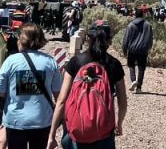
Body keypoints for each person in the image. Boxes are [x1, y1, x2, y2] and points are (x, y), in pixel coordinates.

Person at [47, 21, 127, 149]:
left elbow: (62, 100)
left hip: (77, 126)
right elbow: (122, 102)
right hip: (103, 127)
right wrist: (119, 123)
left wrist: (51, 135)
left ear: (87, 39)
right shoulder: (114, 64)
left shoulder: (75, 62)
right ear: (109, 41)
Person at [0, 23, 64, 149]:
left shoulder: (11, 61)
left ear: (21, 40)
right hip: (42, 121)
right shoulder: (50, 62)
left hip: (16, 121)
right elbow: (59, 95)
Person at [122, 7, 153, 93]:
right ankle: (139, 87)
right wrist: (149, 47)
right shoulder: (148, 25)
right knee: (141, 68)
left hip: (132, 49)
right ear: (143, 14)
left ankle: (133, 80)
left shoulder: (131, 25)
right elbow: (150, 39)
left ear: (135, 15)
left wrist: (124, 49)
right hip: (143, 50)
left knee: (131, 65)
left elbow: (126, 39)